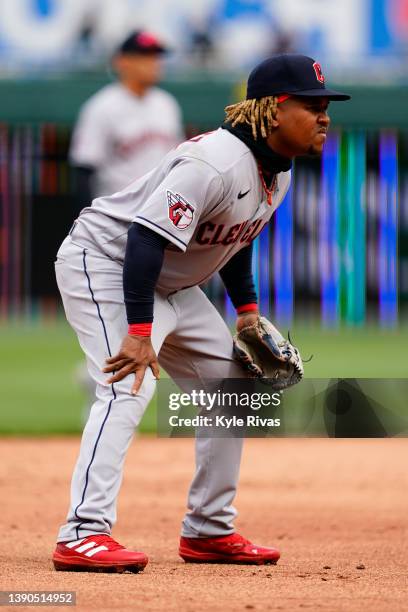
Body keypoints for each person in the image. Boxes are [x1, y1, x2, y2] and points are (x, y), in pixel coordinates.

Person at [52, 54, 350, 573]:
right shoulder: (215, 161)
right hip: (104, 262)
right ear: (275, 110)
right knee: (131, 381)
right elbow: (144, 239)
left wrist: (248, 313)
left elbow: (236, 239)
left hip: (169, 279)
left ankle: (209, 530)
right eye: (313, 105)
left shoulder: (276, 173)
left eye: (326, 106)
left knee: (230, 383)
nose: (324, 116)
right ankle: (82, 532)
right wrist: (141, 334)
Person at [70, 29, 183, 209]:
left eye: (156, 57)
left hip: (159, 214)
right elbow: (84, 169)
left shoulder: (167, 104)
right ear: (122, 62)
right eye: (145, 56)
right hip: (117, 213)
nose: (154, 63)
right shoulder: (102, 106)